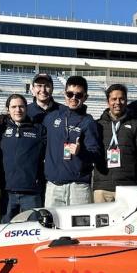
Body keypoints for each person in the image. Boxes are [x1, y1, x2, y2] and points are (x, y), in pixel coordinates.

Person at [93, 84, 137, 202]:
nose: (118, 102)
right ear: (107, 101)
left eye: (121, 99)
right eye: (114, 99)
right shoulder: (97, 125)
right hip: (103, 188)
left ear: (126, 101)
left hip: (129, 188)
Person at [43, 75, 101, 206]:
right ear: (65, 94)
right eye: (70, 94)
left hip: (78, 187)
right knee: (52, 226)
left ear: (85, 97)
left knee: (80, 227)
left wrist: (81, 152)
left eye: (78, 95)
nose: (73, 98)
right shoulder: (52, 118)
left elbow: (96, 154)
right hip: (54, 186)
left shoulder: (88, 122)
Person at [0, 94, 46, 222]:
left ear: (26, 108)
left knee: (34, 231)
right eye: (14, 107)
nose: (18, 110)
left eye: (21, 106)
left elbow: (47, 153)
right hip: (7, 192)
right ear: (7, 109)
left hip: (32, 192)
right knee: (6, 232)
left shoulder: (38, 129)